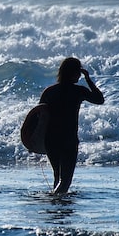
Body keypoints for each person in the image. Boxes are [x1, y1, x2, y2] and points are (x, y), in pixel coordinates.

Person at [39, 57, 104, 194]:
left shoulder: (49, 91)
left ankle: (56, 208)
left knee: (58, 176)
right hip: (68, 140)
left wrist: (35, 139)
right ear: (73, 72)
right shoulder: (78, 91)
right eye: (78, 72)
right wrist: (88, 79)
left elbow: (39, 116)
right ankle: (55, 199)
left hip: (50, 140)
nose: (80, 75)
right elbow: (99, 99)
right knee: (66, 180)